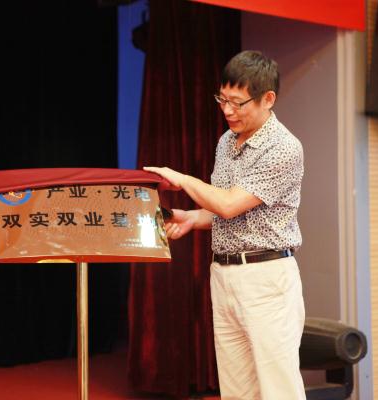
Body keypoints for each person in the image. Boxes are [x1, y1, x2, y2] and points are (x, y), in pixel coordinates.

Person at [145, 50, 306, 399]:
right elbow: (227, 209)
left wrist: (181, 179)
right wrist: (192, 218)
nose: (228, 111)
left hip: (266, 278)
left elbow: (230, 204)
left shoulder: (283, 148)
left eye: (237, 103)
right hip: (224, 274)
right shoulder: (226, 142)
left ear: (268, 99)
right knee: (236, 390)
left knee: (278, 389)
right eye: (222, 100)